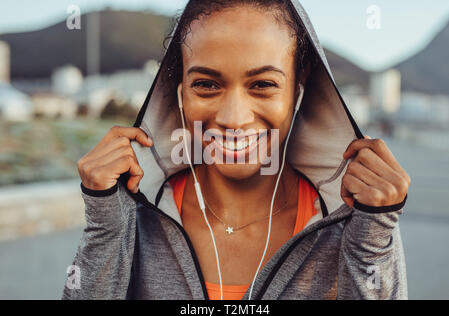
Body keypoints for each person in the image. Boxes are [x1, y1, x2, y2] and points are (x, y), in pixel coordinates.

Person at [63, 0, 410, 300]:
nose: (233, 118)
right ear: (180, 92)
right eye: (206, 85)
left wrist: (372, 236)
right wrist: (105, 222)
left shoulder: (356, 223)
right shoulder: (133, 212)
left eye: (262, 85)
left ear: (297, 91)